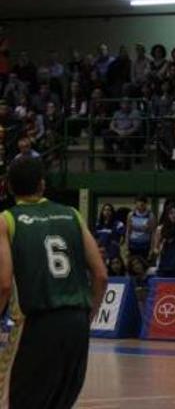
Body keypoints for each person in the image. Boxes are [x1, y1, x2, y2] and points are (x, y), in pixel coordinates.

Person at [0, 157, 108, 408]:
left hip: (37, 326)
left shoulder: (7, 220)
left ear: (8, 186)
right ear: (42, 184)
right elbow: (101, 275)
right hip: (77, 325)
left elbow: (4, 283)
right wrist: (89, 314)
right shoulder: (72, 215)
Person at [153, 206, 175, 278]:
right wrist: (160, 250)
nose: (174, 215)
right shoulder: (160, 229)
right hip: (164, 260)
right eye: (171, 213)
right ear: (167, 215)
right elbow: (155, 249)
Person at [126, 195, 155, 262]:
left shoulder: (150, 215)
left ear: (146, 204)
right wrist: (127, 248)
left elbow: (153, 233)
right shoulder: (131, 215)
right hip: (133, 245)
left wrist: (151, 249)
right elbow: (128, 231)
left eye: (143, 202)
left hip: (145, 246)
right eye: (139, 202)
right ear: (136, 203)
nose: (141, 204)